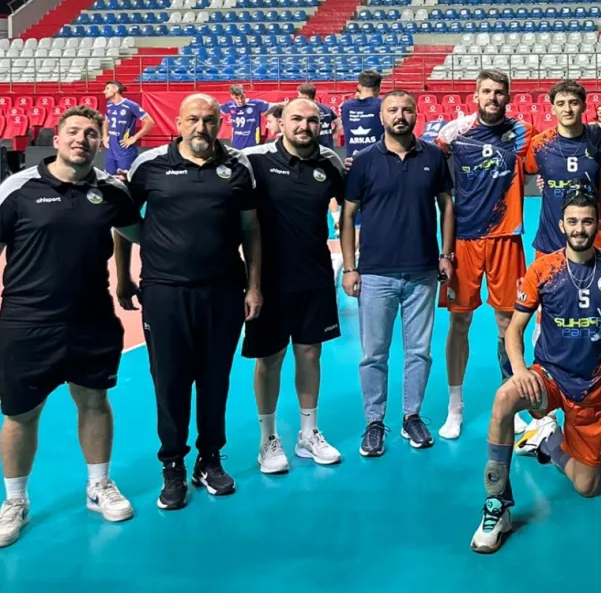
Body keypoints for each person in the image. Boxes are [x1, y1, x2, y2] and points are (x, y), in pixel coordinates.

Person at [0, 107, 142, 547]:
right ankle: (15, 501)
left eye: (91, 133)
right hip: (27, 321)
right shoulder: (19, 188)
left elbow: (143, 234)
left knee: (94, 402)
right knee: (21, 413)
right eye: (74, 132)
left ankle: (99, 485)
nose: (82, 139)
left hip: (92, 318)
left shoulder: (111, 191)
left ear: (101, 143)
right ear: (57, 139)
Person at [114, 93, 263, 510]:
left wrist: (254, 286)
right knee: (170, 380)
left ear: (220, 123)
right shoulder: (149, 166)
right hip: (164, 291)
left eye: (209, 120)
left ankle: (209, 458)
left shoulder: (238, 167)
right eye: (193, 119)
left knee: (215, 379)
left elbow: (251, 230)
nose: (201, 127)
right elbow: (122, 222)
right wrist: (124, 276)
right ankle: (173, 465)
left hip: (223, 291)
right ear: (178, 123)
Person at [469, 193, 601, 553]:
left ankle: (547, 436)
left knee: (587, 486)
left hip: (594, 388)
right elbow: (514, 330)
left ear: (598, 225)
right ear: (562, 225)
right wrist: (519, 371)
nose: (580, 229)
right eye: (573, 222)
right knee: (503, 400)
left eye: (587, 221)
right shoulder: (543, 269)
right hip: (548, 377)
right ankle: (497, 504)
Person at [341, 91, 455, 456]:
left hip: (422, 272)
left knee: (419, 352)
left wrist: (446, 254)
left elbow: (446, 207)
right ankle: (374, 422)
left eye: (407, 109)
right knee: (374, 353)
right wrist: (350, 267)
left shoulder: (433, 157)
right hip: (376, 274)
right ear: (381, 116)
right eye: (392, 110)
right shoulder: (364, 161)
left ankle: (412, 416)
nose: (400, 115)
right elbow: (347, 215)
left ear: (417, 114)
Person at [243, 99, 347, 473]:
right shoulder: (253, 161)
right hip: (268, 280)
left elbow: (350, 208)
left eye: (312, 120)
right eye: (296, 119)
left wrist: (352, 264)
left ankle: (308, 433)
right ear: (280, 123)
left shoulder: (330, 162)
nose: (304, 126)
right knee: (269, 359)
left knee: (310, 354)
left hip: (315, 276)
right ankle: (268, 440)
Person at [436, 70, 533, 440]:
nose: (493, 97)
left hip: (506, 237)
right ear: (475, 95)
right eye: (487, 91)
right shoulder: (454, 133)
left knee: (508, 323)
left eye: (499, 92)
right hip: (464, 239)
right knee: (459, 322)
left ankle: (512, 400)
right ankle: (455, 407)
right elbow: (421, 160)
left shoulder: (522, 132)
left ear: (508, 97)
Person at [524, 79, 601, 259]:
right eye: (561, 104)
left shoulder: (599, 138)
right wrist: (545, 182)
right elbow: (529, 173)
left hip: (592, 242)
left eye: (573, 103)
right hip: (549, 242)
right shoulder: (539, 144)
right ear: (553, 109)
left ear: (584, 106)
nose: (567, 109)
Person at [102, 81, 153, 176]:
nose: (104, 91)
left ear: (116, 89)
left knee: (126, 178)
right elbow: (106, 120)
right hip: (111, 148)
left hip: (125, 149)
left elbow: (150, 122)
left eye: (107, 89)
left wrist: (134, 138)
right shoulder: (109, 104)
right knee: (109, 178)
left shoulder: (131, 105)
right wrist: (105, 136)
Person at [339, 69, 384, 157]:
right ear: (378, 88)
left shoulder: (345, 106)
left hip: (352, 160)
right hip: (377, 159)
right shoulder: (383, 105)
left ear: (359, 87)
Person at [221, 84, 271, 150]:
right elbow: (215, 108)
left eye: (242, 97)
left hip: (253, 145)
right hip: (236, 144)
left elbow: (274, 106)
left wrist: (284, 103)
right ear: (231, 96)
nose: (240, 100)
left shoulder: (255, 104)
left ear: (245, 93)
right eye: (237, 98)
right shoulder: (229, 105)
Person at [297, 83, 342, 150]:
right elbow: (339, 124)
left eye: (299, 95)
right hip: (328, 149)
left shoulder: (304, 110)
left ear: (305, 97)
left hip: (312, 150)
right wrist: (330, 135)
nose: (298, 97)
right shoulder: (326, 108)